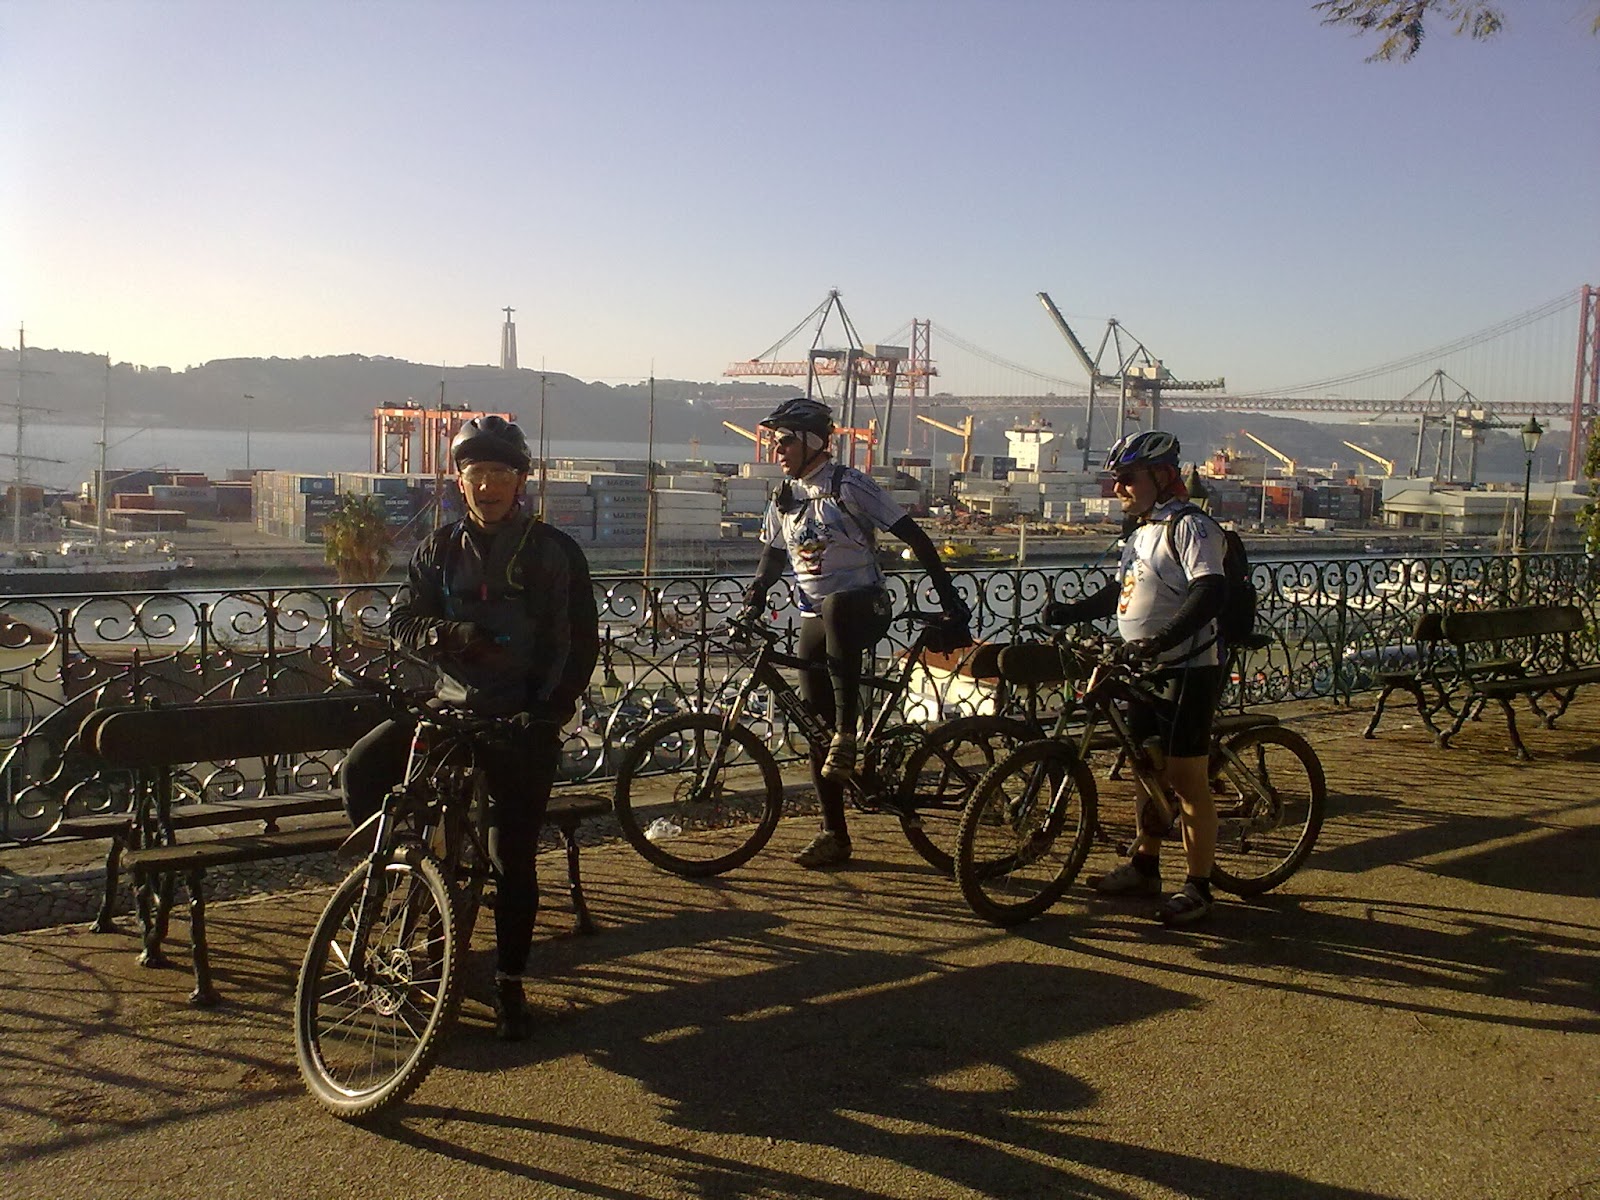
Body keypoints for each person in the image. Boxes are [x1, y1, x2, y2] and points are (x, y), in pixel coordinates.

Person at [342, 415, 599, 1039]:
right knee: (362, 769)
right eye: (476, 473)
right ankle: (412, 873)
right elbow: (403, 622)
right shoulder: (438, 549)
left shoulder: (552, 550)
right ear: (459, 482)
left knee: (511, 858)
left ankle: (509, 982)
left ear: (520, 482)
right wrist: (446, 634)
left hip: (520, 718)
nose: (487, 486)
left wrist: (548, 711)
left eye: (499, 474)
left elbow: (576, 640)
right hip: (451, 707)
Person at [737, 397, 972, 869]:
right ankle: (834, 834)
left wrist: (951, 600)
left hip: (865, 605)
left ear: (812, 442)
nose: (777, 451)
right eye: (775, 442)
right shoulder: (785, 495)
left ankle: (849, 733)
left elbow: (915, 537)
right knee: (814, 728)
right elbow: (773, 554)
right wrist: (756, 596)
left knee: (837, 608)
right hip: (814, 616)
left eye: (784, 441)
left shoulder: (849, 484)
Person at [1043, 429, 1226, 925]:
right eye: (1116, 479)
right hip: (1143, 666)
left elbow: (1209, 591)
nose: (1117, 488)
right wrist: (1071, 611)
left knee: (1186, 781)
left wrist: (1162, 639)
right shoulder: (1143, 529)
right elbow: (1120, 590)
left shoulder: (1191, 526)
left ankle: (1199, 886)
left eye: (1127, 478)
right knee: (1146, 768)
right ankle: (1145, 867)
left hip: (1187, 667)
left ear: (1162, 477)